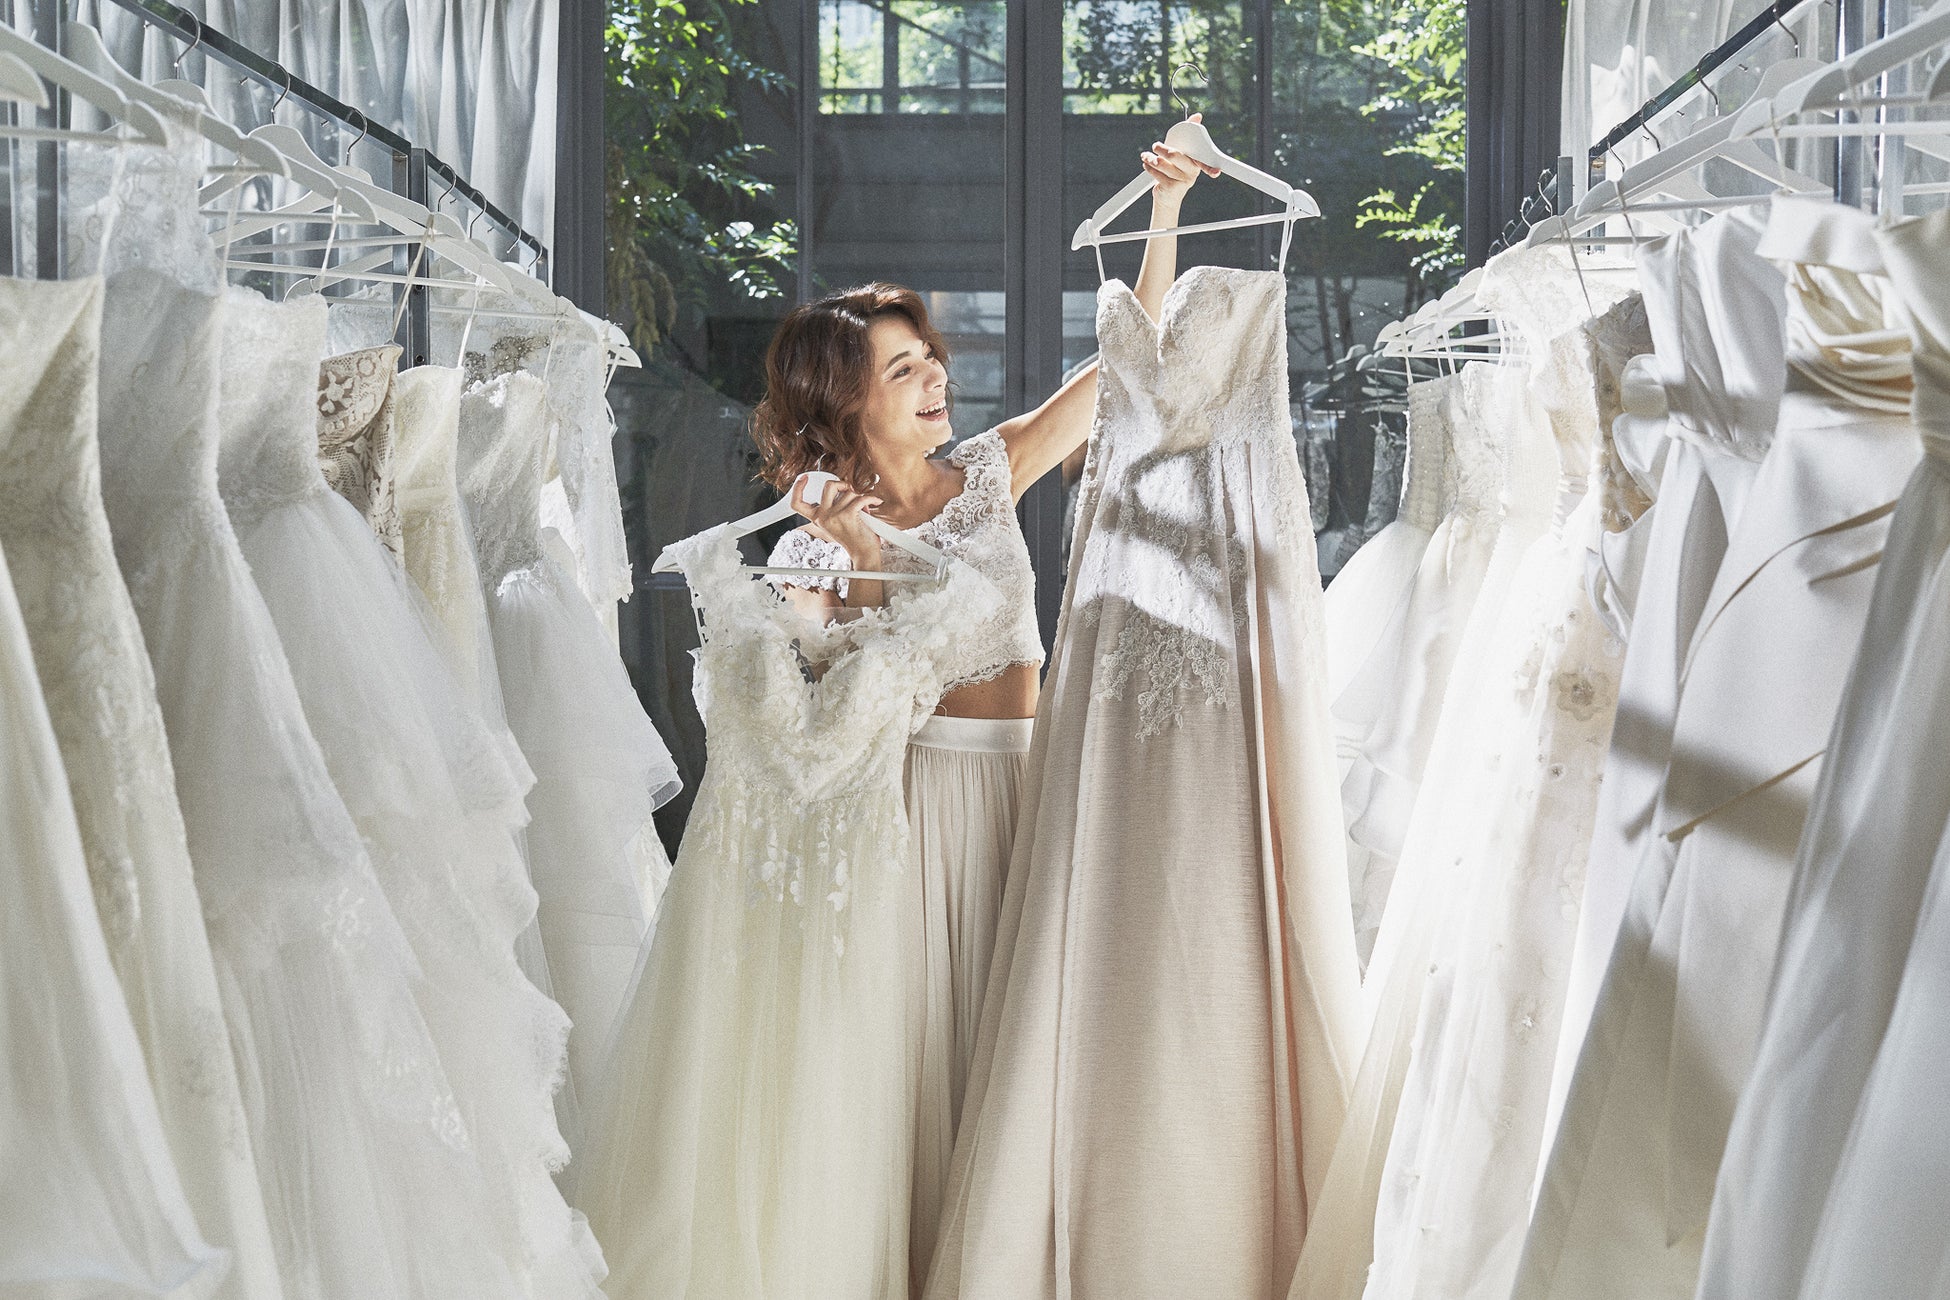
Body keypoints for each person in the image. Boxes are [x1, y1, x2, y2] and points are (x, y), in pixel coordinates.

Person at [754, 127, 1218, 1290]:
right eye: (901, 371)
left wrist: (1162, 213)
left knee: (1034, 1046)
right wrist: (852, 564)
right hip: (916, 812)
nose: (933, 381)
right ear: (844, 399)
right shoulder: (812, 541)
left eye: (929, 360)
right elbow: (813, 707)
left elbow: (1126, 363)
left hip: (1034, 783)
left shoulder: (994, 468)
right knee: (930, 1056)